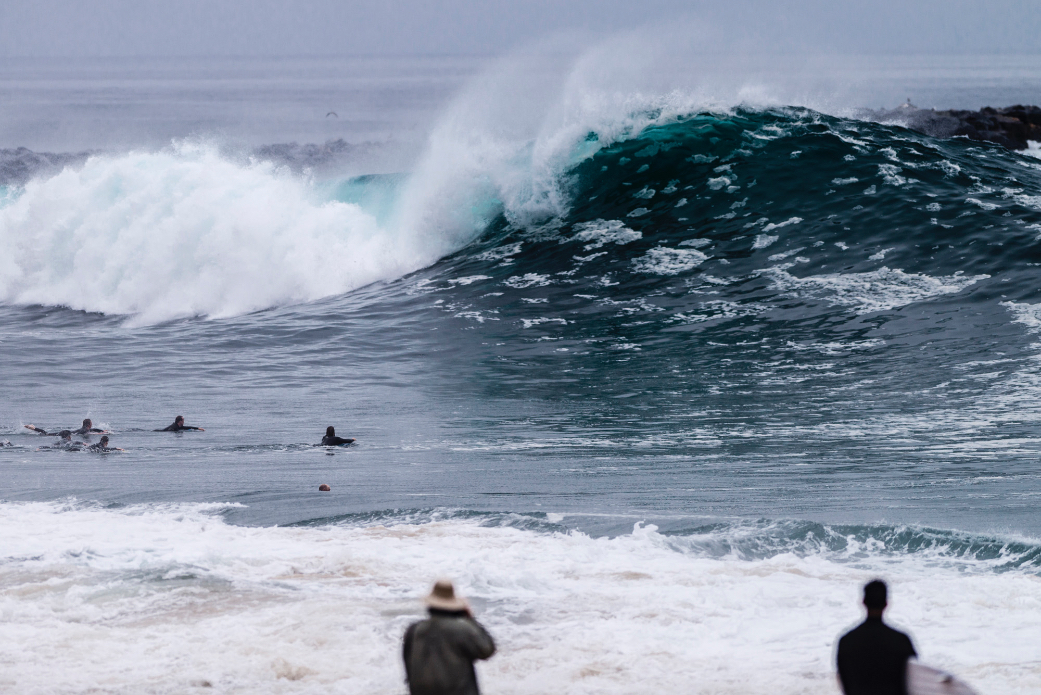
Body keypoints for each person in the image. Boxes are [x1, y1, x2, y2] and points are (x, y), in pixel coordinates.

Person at [402, 579, 496, 695]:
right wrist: (470, 619)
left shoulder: (414, 630)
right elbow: (487, 650)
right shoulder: (463, 630)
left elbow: (408, 668)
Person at [837, 580, 917, 695]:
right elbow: (914, 679)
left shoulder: (846, 640)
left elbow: (844, 680)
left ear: (863, 602)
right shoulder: (901, 640)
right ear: (886, 604)